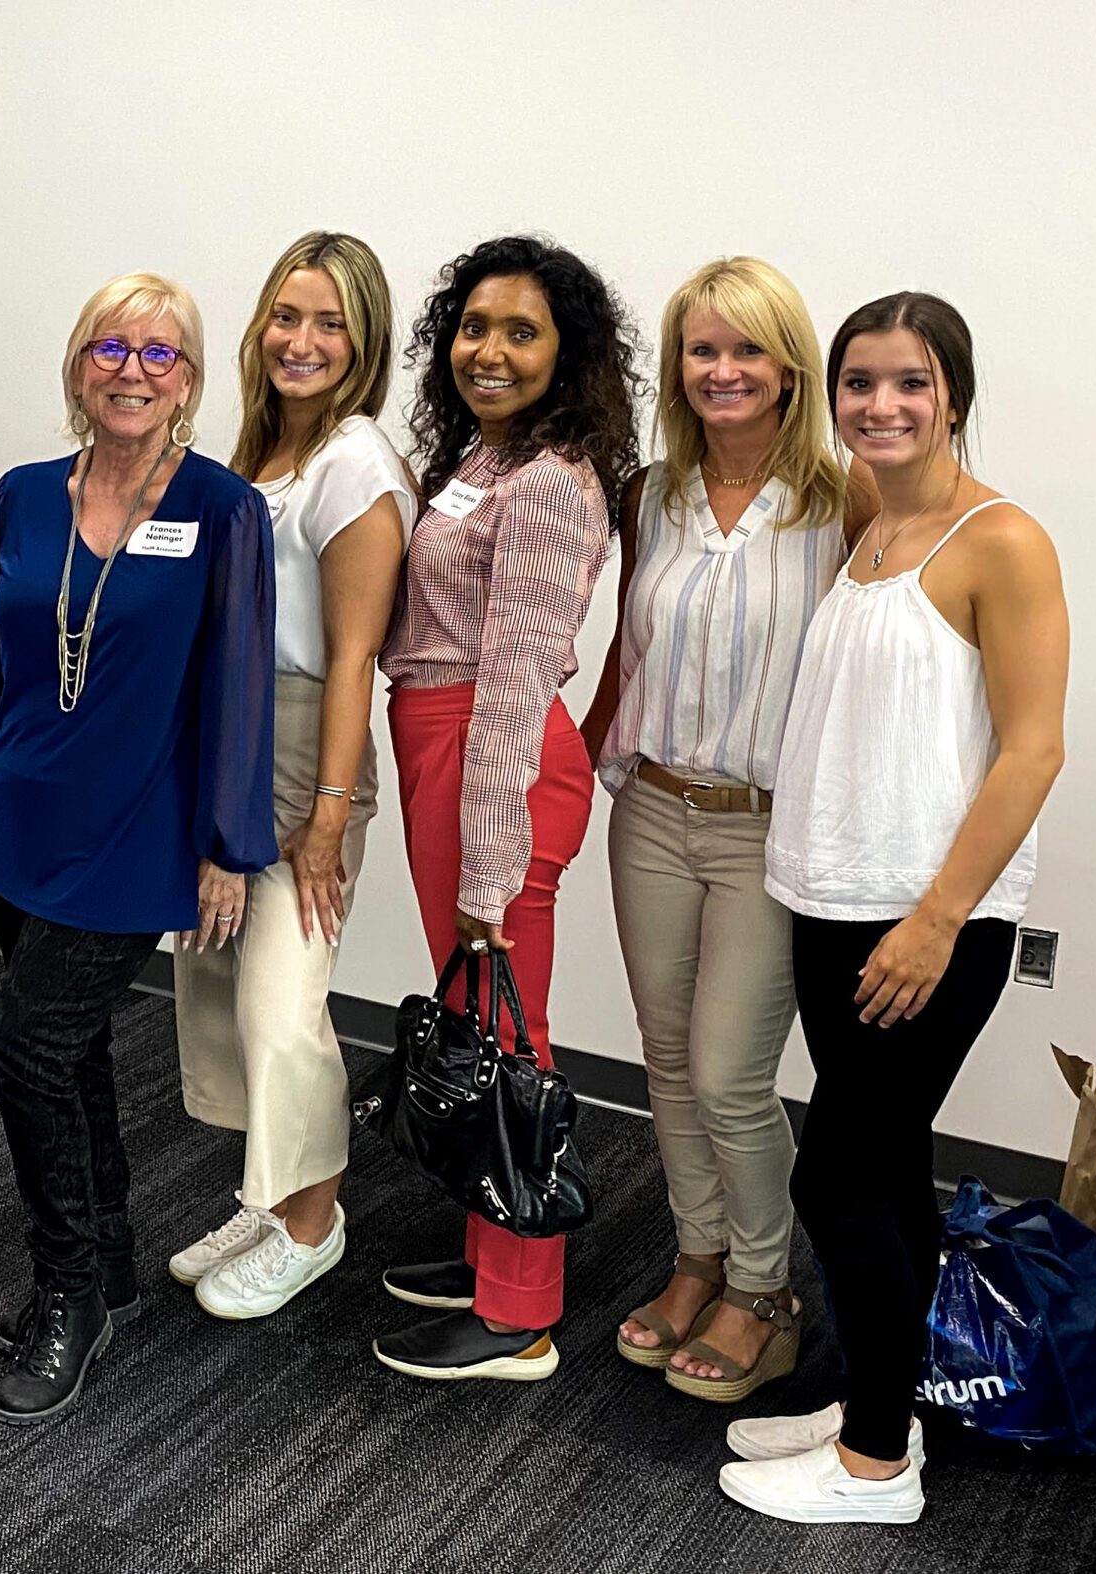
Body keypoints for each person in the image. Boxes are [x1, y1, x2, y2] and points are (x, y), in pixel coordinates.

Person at [721, 292, 1065, 1525]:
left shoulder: (1001, 539)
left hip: (928, 921)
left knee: (839, 1181)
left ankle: (874, 1461)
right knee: (888, 1168)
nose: (880, 404)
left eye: (909, 381)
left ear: (952, 395)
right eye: (858, 382)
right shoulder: (870, 521)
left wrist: (935, 919)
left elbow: (1031, 749)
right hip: (830, 896)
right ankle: (885, 1399)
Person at [0, 272, 275, 1424]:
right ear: (79, 367)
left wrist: (228, 844)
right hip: (20, 813)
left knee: (23, 1044)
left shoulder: (223, 508)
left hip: (135, 831)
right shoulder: (24, 495)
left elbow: (237, 683)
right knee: (68, 1052)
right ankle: (110, 1265)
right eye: (110, 348)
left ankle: (67, 1291)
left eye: (158, 352)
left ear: (188, 379)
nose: (132, 369)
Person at [581, 257, 872, 1401]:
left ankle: (764, 1289)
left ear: (789, 366)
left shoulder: (843, 500)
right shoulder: (650, 493)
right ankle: (696, 1257)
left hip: (764, 829)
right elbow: (628, 645)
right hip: (651, 810)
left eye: (748, 348)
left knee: (728, 1074)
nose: (723, 370)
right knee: (664, 1060)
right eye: (701, 349)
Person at [371, 235, 641, 1382]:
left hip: (493, 755)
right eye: (473, 327)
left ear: (564, 353)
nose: (488, 350)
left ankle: (518, 1311)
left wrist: (490, 862)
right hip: (448, 742)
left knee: (508, 1036)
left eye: (520, 332)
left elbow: (519, 680)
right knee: (478, 1021)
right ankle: (494, 1248)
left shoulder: (544, 482)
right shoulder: (485, 458)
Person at [170, 233, 410, 1319]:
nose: (300, 341)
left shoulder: (356, 465)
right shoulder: (260, 452)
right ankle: (269, 1197)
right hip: (230, 739)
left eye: (329, 324)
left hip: (309, 747)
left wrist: (327, 817)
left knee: (281, 1002)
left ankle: (314, 1222)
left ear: (364, 344)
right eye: (285, 315)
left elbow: (354, 656)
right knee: (218, 981)